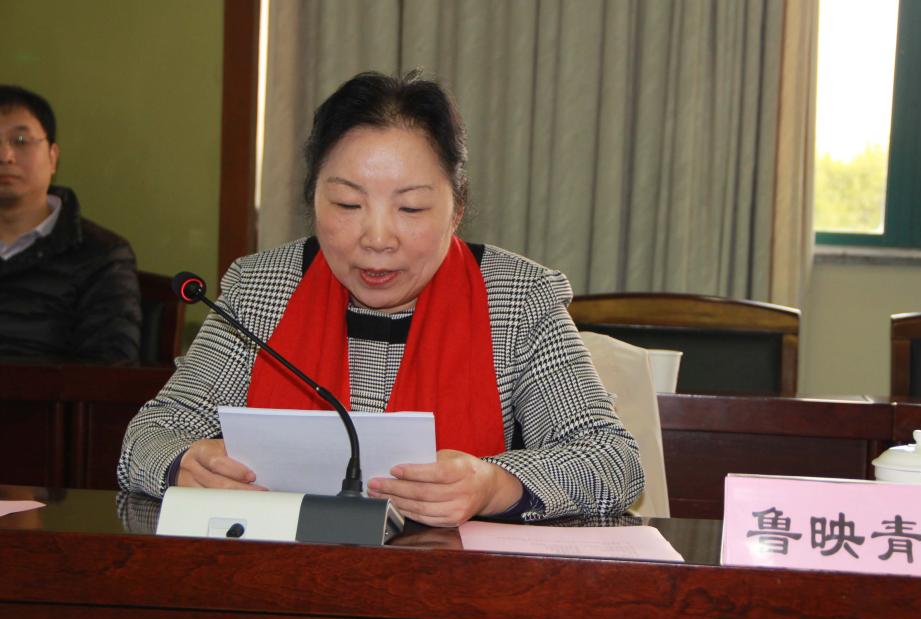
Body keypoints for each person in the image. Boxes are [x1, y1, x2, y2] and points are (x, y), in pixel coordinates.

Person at [119, 71, 643, 526]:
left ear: (457, 208)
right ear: (312, 199)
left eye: (410, 209)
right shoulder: (261, 288)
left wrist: (494, 483)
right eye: (348, 203)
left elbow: (611, 460)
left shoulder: (516, 297)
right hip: (281, 581)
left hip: (456, 589)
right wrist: (184, 464)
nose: (376, 238)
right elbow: (149, 436)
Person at [0, 85, 141, 363]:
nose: (5, 156)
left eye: (20, 140)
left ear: (53, 157)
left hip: (48, 392)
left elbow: (108, 370)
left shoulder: (102, 256)